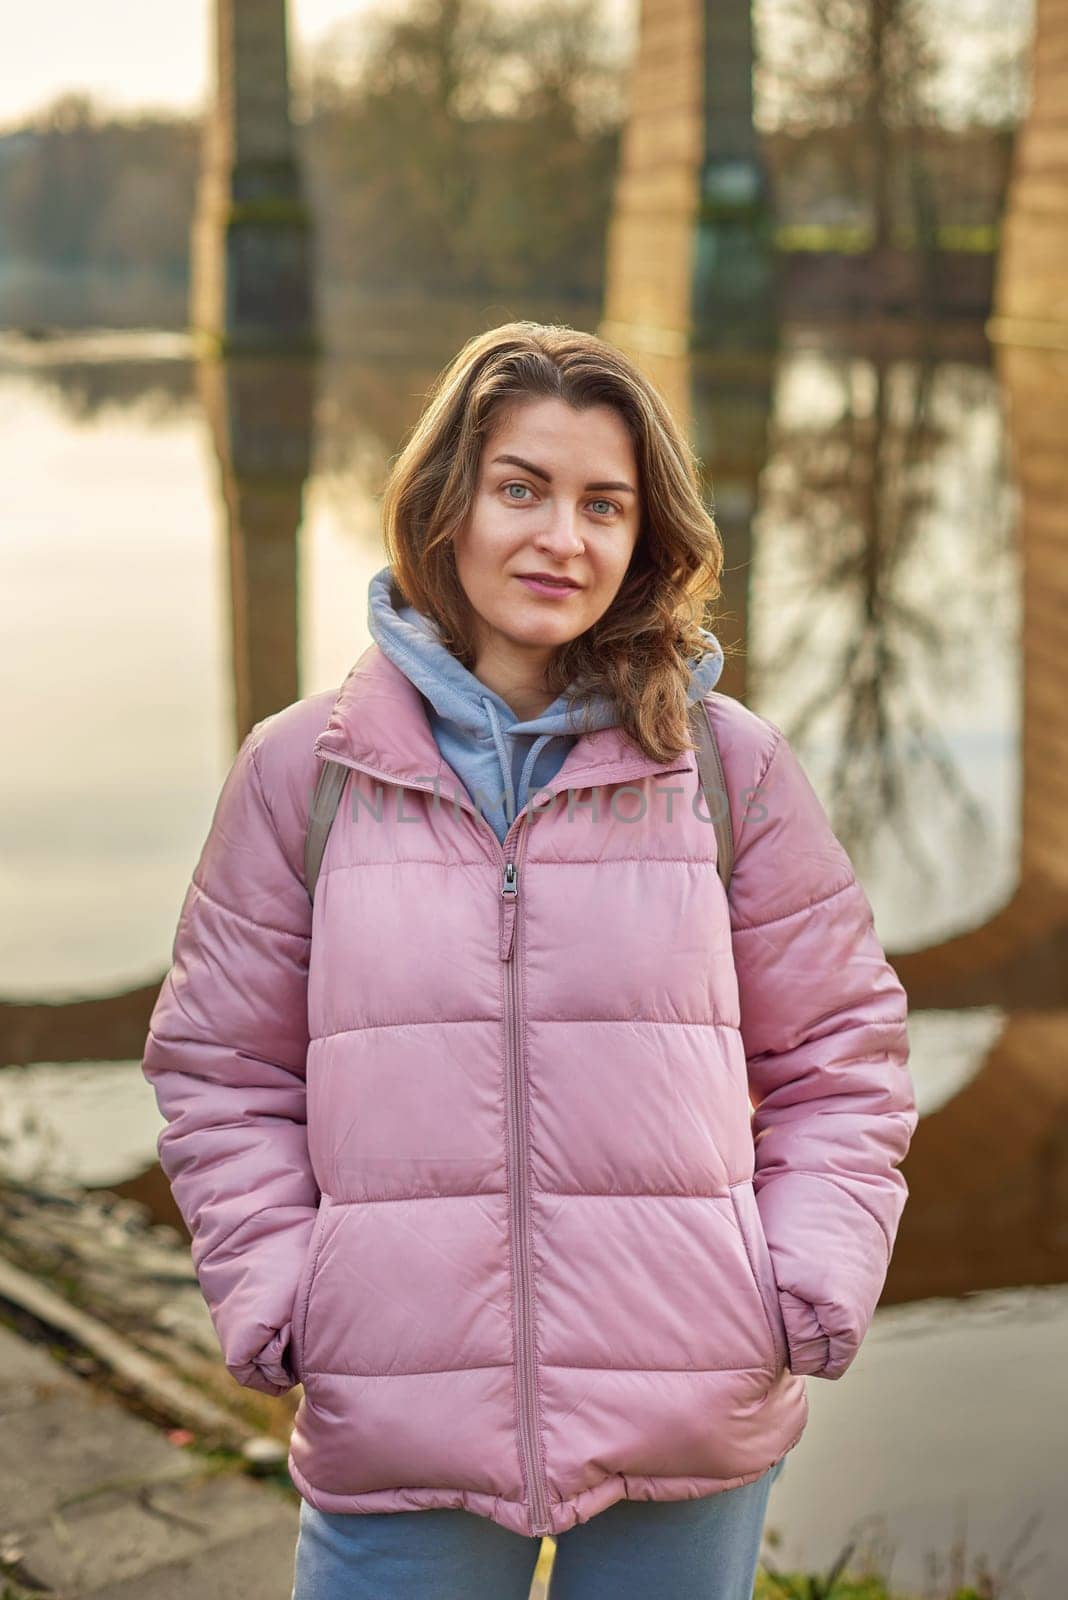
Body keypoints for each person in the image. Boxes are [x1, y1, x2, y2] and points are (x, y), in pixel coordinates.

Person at [141, 321, 917, 1599]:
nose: (564, 537)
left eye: (603, 504)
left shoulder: (726, 769)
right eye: (523, 488)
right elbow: (219, 1067)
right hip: (398, 1416)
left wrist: (797, 1279)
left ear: (644, 535)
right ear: (446, 503)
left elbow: (844, 1057)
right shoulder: (303, 772)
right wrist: (284, 1287)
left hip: (691, 1399)